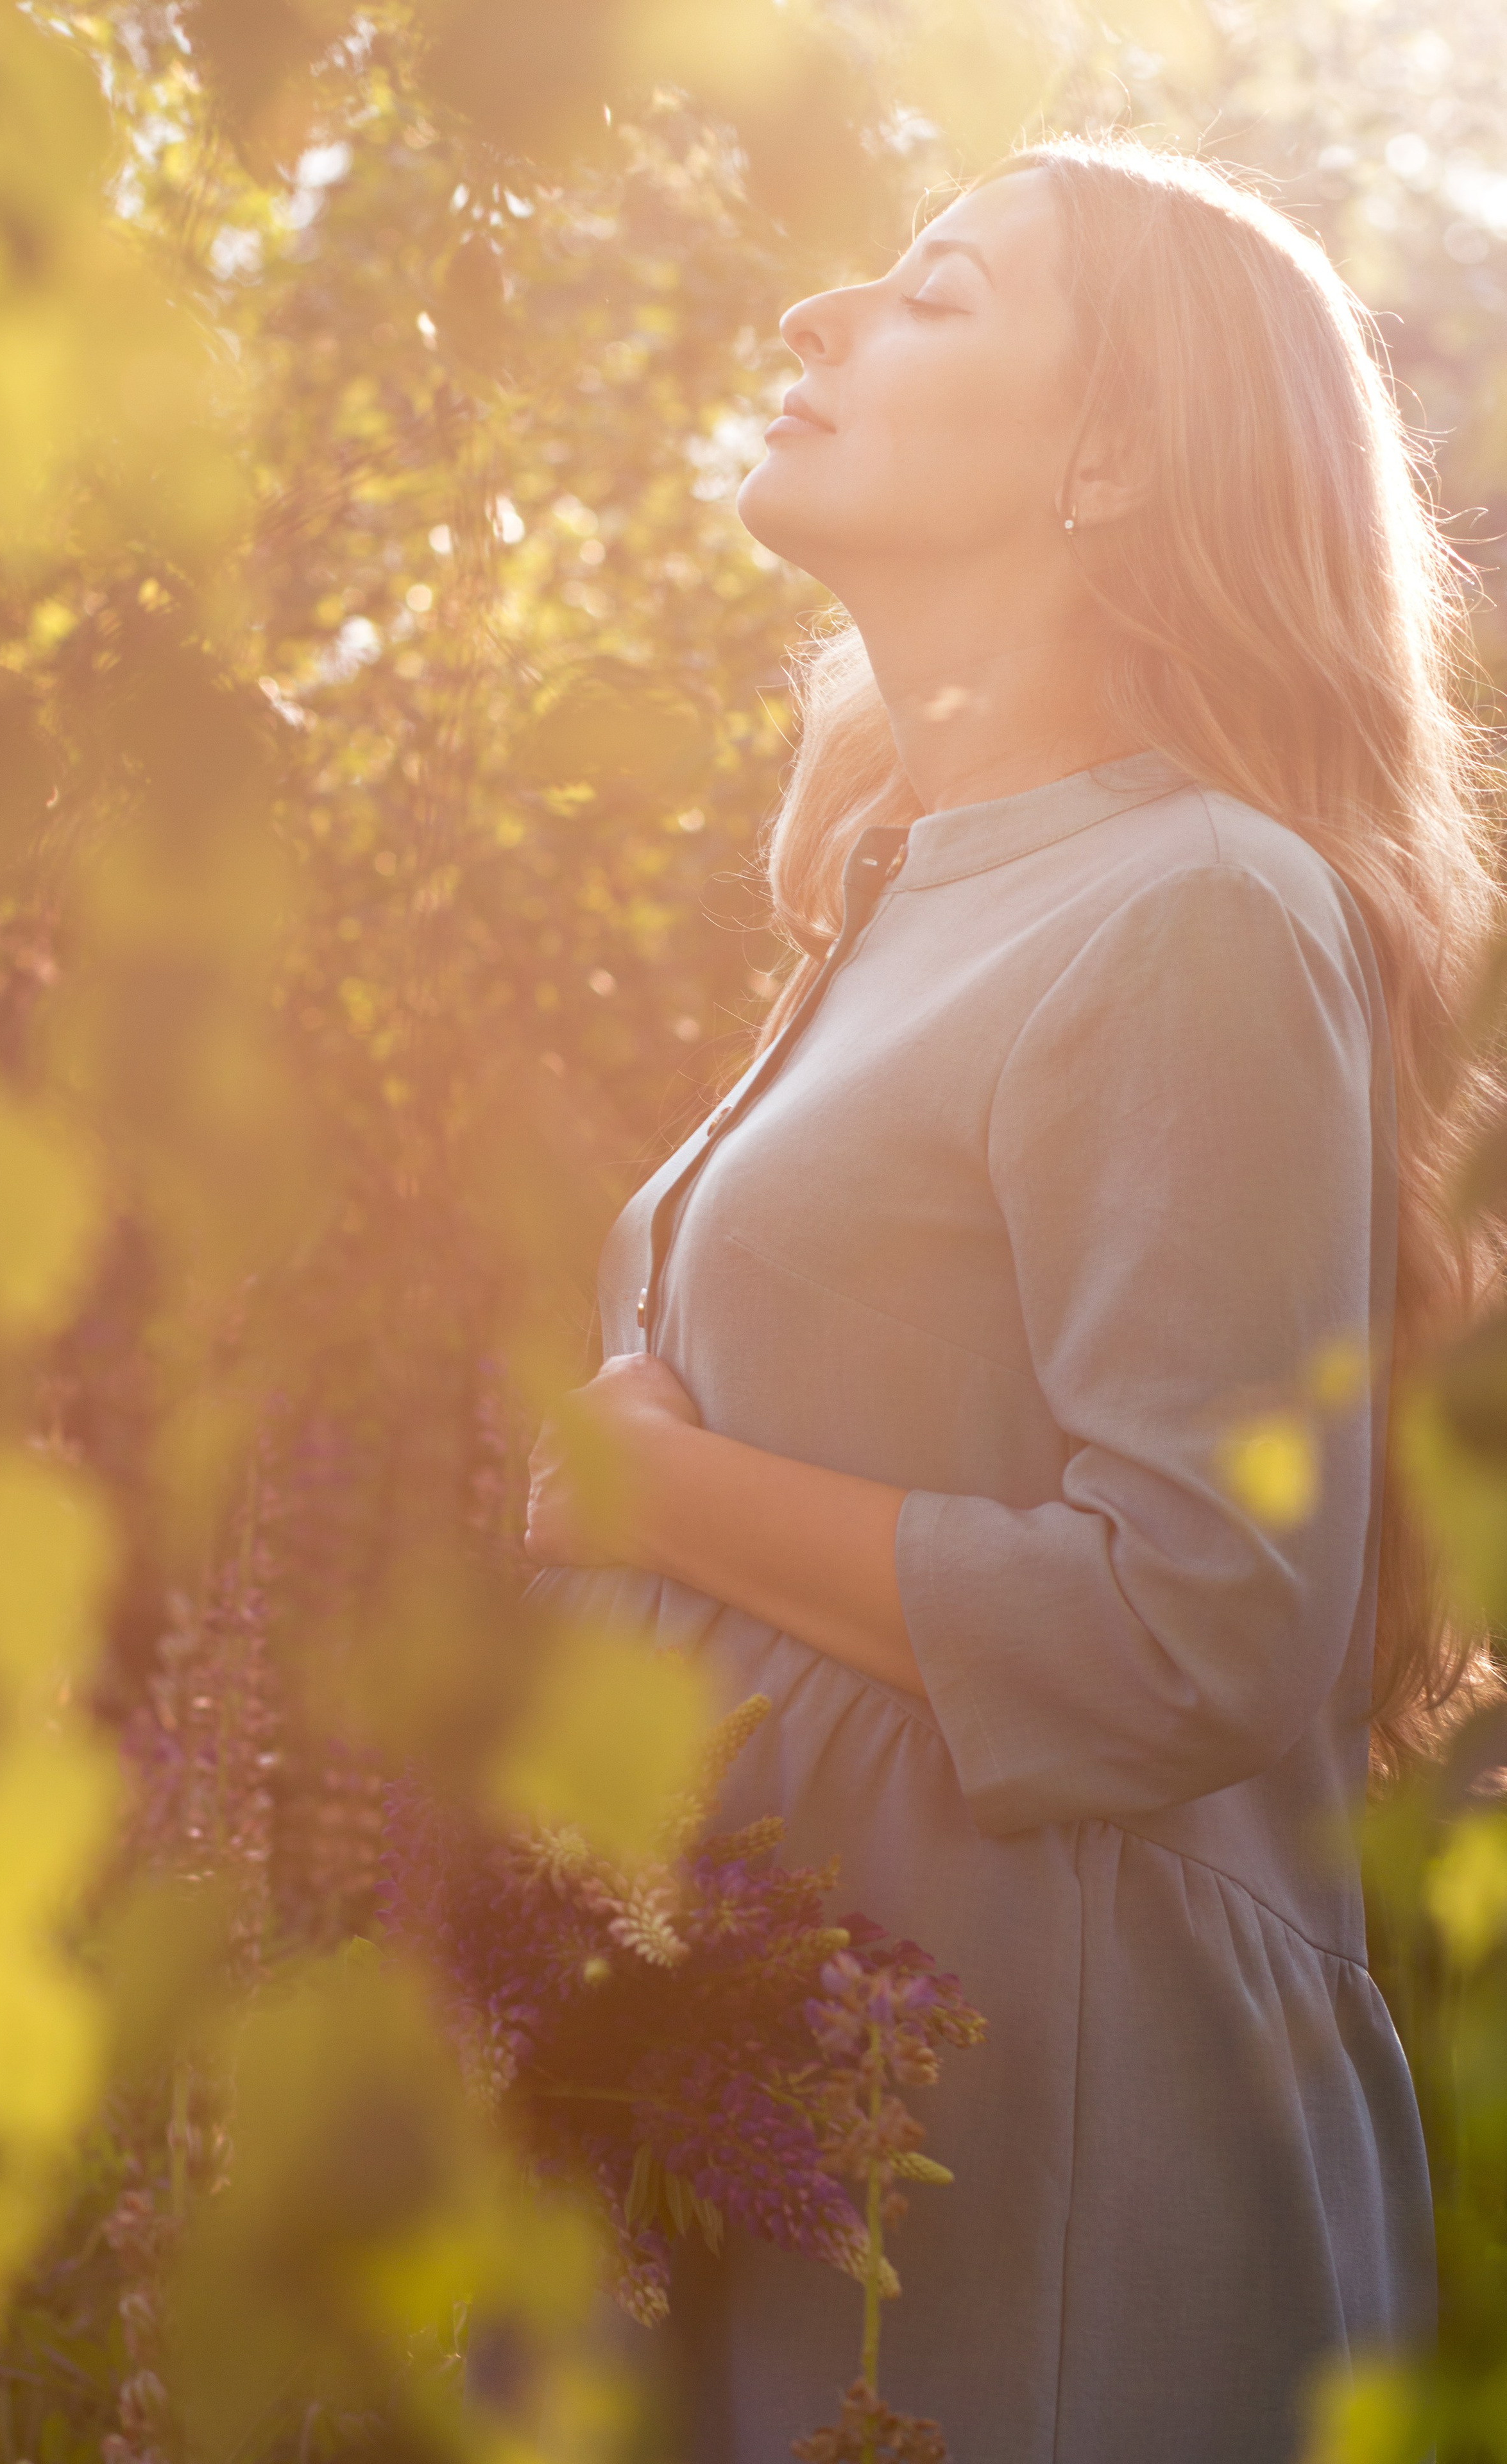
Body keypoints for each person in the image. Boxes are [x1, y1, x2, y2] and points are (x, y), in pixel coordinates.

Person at [522, 135, 1499, 2464]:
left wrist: (656, 1493)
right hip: (803, 2101)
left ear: (1118, 449)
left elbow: (1197, 1625)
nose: (811, 322)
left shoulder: (1199, 906)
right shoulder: (903, 900)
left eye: (934, 294)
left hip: (1041, 2154)